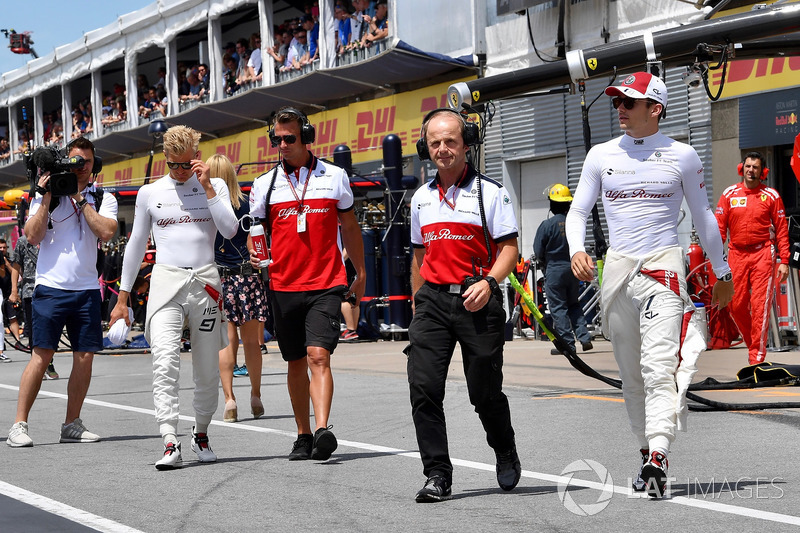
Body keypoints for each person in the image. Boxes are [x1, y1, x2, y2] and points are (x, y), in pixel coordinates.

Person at [565, 72, 734, 497]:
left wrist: (723, 272)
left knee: (659, 369)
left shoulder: (683, 156)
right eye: (617, 100)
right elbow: (577, 212)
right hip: (617, 274)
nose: (619, 108)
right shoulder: (600, 155)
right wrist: (575, 250)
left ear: (654, 109)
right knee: (631, 376)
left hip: (663, 270)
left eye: (629, 102)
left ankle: (659, 454)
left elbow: (705, 218)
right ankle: (646, 454)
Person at [406, 108, 521, 503]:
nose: (442, 149)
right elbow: (419, 258)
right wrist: (419, 306)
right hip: (433, 303)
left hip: (479, 299)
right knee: (423, 389)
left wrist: (490, 282)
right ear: (426, 147)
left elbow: (509, 250)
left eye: (450, 140)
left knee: (484, 394)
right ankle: (437, 474)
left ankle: (504, 447)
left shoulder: (491, 192)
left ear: (466, 143)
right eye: (435, 142)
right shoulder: (420, 199)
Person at [110, 125, 238, 470]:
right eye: (173, 165)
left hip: (206, 284)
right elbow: (136, 246)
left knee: (208, 369)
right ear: (165, 160)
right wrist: (122, 298)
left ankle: (201, 433)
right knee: (164, 361)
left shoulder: (216, 185)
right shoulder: (150, 193)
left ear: (196, 156)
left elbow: (230, 229)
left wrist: (209, 187)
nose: (181, 172)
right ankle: (169, 439)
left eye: (186, 164)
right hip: (166, 283)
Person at [249, 107, 365, 461]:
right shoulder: (263, 184)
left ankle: (322, 430)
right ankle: (302, 433)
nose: (282, 145)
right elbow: (257, 234)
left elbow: (350, 227)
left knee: (318, 356)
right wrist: (257, 256)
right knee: (296, 360)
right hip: (283, 286)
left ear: (306, 137)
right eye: (276, 139)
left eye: (289, 138)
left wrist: (359, 273)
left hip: (327, 283)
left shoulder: (334, 176)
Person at [7, 136, 119, 447]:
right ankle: (19, 425)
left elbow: (107, 232)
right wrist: (46, 196)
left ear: (94, 165)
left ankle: (71, 423)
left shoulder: (102, 197)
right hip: (50, 288)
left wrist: (81, 199)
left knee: (85, 358)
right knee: (41, 355)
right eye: (74, 161)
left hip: (85, 289)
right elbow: (32, 236)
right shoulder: (47, 195)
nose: (80, 167)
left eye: (86, 162)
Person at [209, 153, 269, 423]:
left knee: (225, 342)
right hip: (247, 277)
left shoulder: (207, 205)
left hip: (219, 278)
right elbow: (256, 243)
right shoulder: (246, 204)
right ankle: (255, 395)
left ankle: (230, 399)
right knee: (253, 343)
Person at [715, 151, 790, 366]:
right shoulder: (729, 194)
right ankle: (754, 344)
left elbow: (782, 230)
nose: (751, 170)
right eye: (748, 166)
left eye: (755, 167)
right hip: (736, 254)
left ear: (763, 171)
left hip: (763, 254)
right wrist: (715, 258)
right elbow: (719, 228)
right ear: (741, 168)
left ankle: (756, 357)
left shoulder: (772, 196)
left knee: (760, 307)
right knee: (734, 305)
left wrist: (784, 260)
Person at [533, 184, 593, 356]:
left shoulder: (547, 225)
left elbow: (538, 250)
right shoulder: (574, 224)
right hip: (573, 269)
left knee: (558, 307)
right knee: (574, 304)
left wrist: (545, 262)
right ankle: (584, 337)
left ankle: (567, 344)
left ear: (552, 204)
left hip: (554, 270)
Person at [0, 239, 27, 352]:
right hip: (1, 293)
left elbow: (18, 276)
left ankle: (17, 341)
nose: (2, 250)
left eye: (4, 247)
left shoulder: (11, 261)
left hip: (9, 294)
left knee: (13, 318)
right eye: (0, 248)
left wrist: (6, 264)